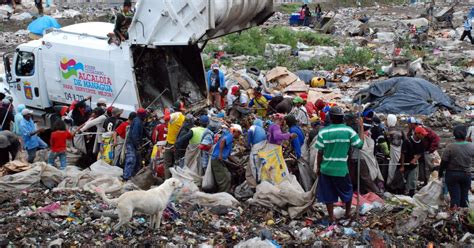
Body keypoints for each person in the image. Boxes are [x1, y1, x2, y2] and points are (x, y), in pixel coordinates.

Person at [315, 107, 364, 222]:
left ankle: (331, 217)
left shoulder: (323, 132)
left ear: (330, 118)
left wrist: (318, 167)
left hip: (326, 169)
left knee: (328, 194)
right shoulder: (349, 131)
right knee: (347, 191)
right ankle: (347, 213)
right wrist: (361, 127)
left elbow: (319, 152)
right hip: (341, 169)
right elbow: (360, 145)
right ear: (342, 118)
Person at [439, 125, 474, 209]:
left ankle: (455, 217)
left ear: (454, 134)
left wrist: (440, 174)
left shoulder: (450, 147)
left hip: (452, 174)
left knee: (455, 198)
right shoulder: (471, 146)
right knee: (464, 198)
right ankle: (464, 216)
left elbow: (443, 162)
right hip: (466, 175)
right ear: (465, 134)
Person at [211, 124, 242, 192]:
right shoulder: (230, 136)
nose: (239, 136)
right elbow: (223, 141)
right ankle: (222, 194)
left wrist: (236, 162)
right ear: (235, 131)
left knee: (227, 176)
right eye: (239, 133)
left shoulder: (230, 139)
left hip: (220, 160)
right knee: (225, 178)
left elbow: (228, 155)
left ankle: (223, 193)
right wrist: (220, 155)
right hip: (217, 159)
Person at [400, 126, 426, 196]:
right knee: (403, 179)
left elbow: (421, 152)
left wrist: (415, 159)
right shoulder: (407, 141)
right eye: (422, 134)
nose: (424, 136)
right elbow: (403, 154)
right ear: (417, 134)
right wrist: (402, 166)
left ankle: (411, 193)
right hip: (405, 163)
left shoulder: (422, 142)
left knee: (412, 180)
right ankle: (403, 191)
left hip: (413, 164)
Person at [123, 108, 146, 180]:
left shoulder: (138, 120)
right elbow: (135, 135)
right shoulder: (137, 122)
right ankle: (126, 177)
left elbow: (144, 130)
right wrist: (138, 145)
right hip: (132, 143)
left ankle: (134, 175)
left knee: (137, 160)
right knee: (131, 160)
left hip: (134, 143)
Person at [163, 110, 185, 178]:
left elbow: (166, 118)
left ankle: (167, 182)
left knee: (167, 165)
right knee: (178, 165)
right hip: (179, 145)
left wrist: (166, 111)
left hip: (170, 144)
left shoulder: (174, 116)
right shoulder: (183, 118)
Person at [385, 114, 403, 186]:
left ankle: (391, 184)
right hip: (396, 152)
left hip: (394, 152)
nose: (385, 121)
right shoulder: (399, 130)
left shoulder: (389, 132)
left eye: (386, 120)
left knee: (393, 167)